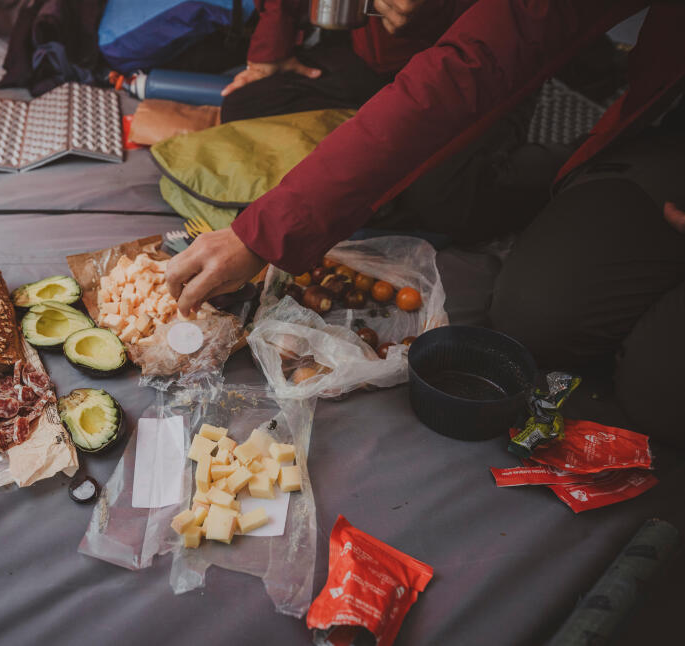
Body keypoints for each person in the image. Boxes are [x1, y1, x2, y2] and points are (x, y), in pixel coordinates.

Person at [165, 0, 685, 444]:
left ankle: (550, 169)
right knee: (538, 321)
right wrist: (265, 232)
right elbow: (476, 57)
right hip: (651, 130)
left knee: (660, 393)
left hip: (533, 99)